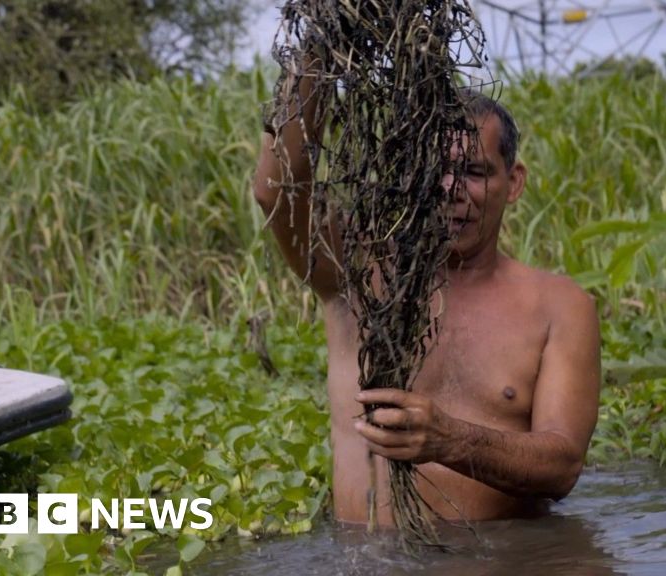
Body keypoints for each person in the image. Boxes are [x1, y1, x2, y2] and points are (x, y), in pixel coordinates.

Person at [253, 58, 601, 524]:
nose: (449, 189)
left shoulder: (558, 306)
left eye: (474, 172)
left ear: (513, 182)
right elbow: (278, 192)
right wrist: (317, 52)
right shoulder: (356, 274)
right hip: (374, 561)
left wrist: (450, 440)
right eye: (429, 170)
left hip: (508, 563)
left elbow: (562, 466)